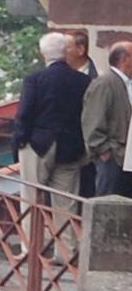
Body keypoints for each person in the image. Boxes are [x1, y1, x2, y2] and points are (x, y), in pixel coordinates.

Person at [15, 31, 92, 202]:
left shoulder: (35, 79)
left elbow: (24, 113)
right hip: (71, 146)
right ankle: (64, 230)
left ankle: (31, 230)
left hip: (37, 143)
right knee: (67, 203)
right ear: (65, 52)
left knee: (31, 200)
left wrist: (20, 141)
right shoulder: (83, 80)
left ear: (42, 53)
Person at [87, 42, 132, 199]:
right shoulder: (104, 83)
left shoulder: (126, 83)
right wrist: (103, 150)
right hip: (113, 156)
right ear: (124, 59)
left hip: (126, 156)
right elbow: (93, 118)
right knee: (108, 200)